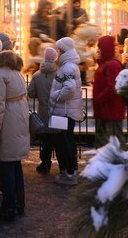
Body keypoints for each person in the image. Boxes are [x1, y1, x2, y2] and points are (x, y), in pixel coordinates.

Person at [0, 48, 29, 221]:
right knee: (15, 165)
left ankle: (8, 207)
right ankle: (19, 203)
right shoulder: (15, 72)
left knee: (5, 167)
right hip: (19, 120)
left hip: (8, 123)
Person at [49, 37, 84, 186]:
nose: (57, 52)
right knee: (64, 140)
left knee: (65, 141)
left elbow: (69, 87)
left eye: (59, 49)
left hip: (65, 111)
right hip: (64, 110)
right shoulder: (67, 66)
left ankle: (69, 172)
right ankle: (68, 170)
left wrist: (56, 96)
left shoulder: (68, 67)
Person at [27, 47, 58, 174]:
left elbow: (31, 93)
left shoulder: (37, 75)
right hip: (57, 111)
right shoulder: (58, 74)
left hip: (43, 110)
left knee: (45, 139)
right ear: (55, 58)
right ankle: (64, 166)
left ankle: (45, 164)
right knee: (58, 138)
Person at [92, 35, 126, 147]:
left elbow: (112, 87)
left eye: (100, 47)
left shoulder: (112, 65)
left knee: (109, 146)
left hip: (110, 112)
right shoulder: (105, 64)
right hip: (105, 112)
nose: (98, 50)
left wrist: (98, 100)